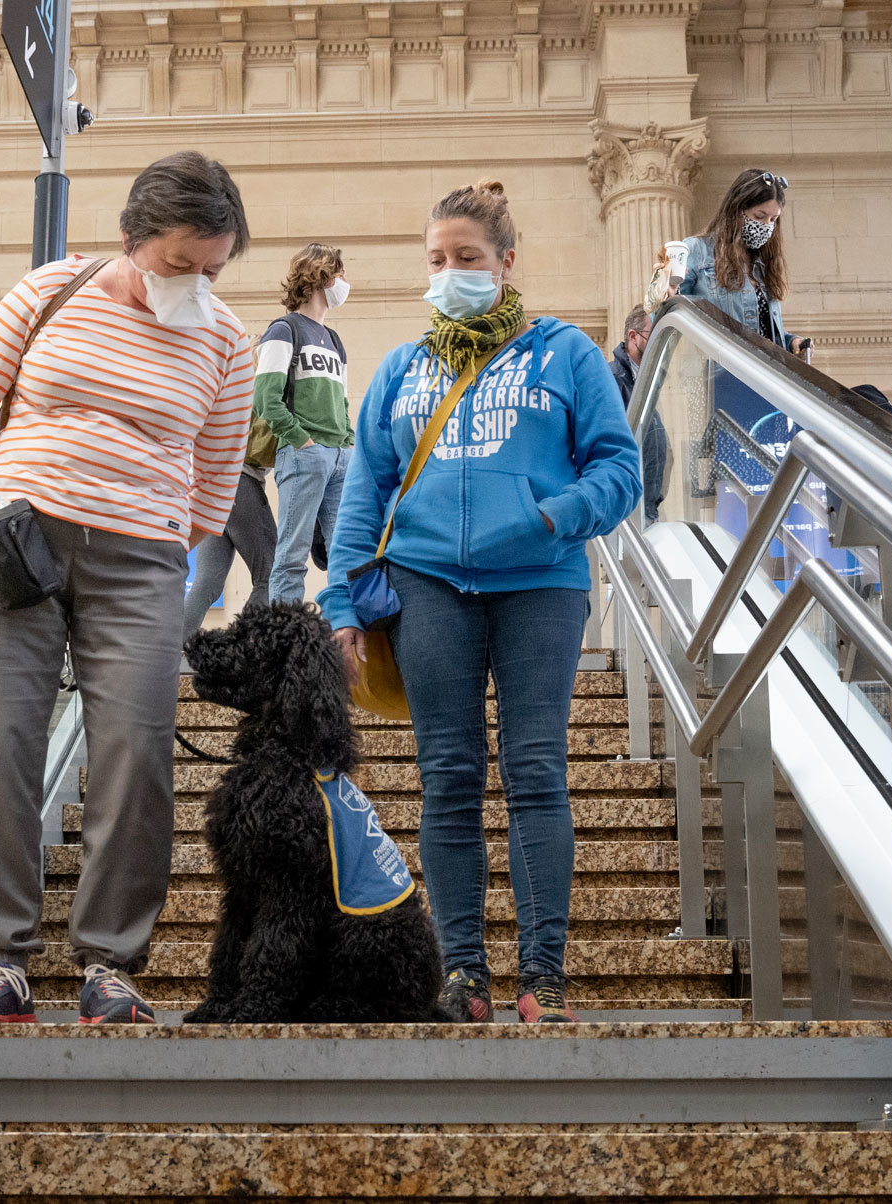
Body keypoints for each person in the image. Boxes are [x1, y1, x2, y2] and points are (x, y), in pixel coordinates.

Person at [0, 151, 254, 1025]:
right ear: (132, 240)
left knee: (136, 752)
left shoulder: (228, 341)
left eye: (213, 268)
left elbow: (213, 489)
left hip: (139, 561)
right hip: (11, 546)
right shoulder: (49, 293)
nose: (196, 283)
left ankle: (111, 963)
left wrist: (142, 522)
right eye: (179, 264)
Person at [320, 180, 642, 1025]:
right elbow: (364, 493)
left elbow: (619, 467)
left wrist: (551, 515)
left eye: (467, 259)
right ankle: (462, 971)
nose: (450, 273)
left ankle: (545, 973)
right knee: (448, 778)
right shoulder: (400, 369)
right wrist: (343, 605)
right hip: (426, 585)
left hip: (541, 581)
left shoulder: (563, 352)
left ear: (506, 262)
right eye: (437, 261)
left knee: (535, 771)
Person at [256, 243, 353, 604]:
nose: (345, 284)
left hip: (340, 457)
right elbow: (266, 399)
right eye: (340, 274)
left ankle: (345, 636)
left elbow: (341, 401)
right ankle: (285, 643)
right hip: (304, 454)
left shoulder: (335, 340)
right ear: (321, 276)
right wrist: (302, 441)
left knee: (345, 557)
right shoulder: (283, 329)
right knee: (292, 557)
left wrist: (347, 444)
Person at [656, 169, 811, 358]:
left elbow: (761, 332)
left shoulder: (764, 264)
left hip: (765, 373)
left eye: (773, 219)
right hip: (721, 372)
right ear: (737, 211)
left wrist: (791, 342)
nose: (766, 225)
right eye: (759, 216)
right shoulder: (698, 250)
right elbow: (666, 314)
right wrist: (665, 292)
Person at [180, 460, 276, 641]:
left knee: (207, 583)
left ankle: (173, 647)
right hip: (239, 483)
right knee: (271, 574)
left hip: (207, 490)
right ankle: (243, 644)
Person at [608, 303, 669, 523]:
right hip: (626, 510)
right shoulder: (611, 379)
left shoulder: (650, 379)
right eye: (654, 333)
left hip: (648, 506)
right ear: (633, 336)